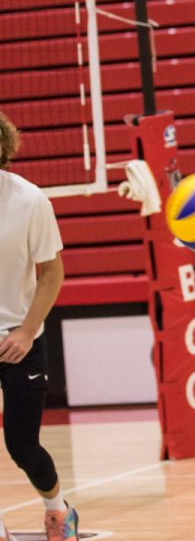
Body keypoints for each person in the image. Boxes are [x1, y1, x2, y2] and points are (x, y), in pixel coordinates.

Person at [0, 112, 79, 541]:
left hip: (19, 338)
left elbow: (51, 272)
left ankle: (57, 510)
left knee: (22, 446)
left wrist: (27, 331)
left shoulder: (29, 200)